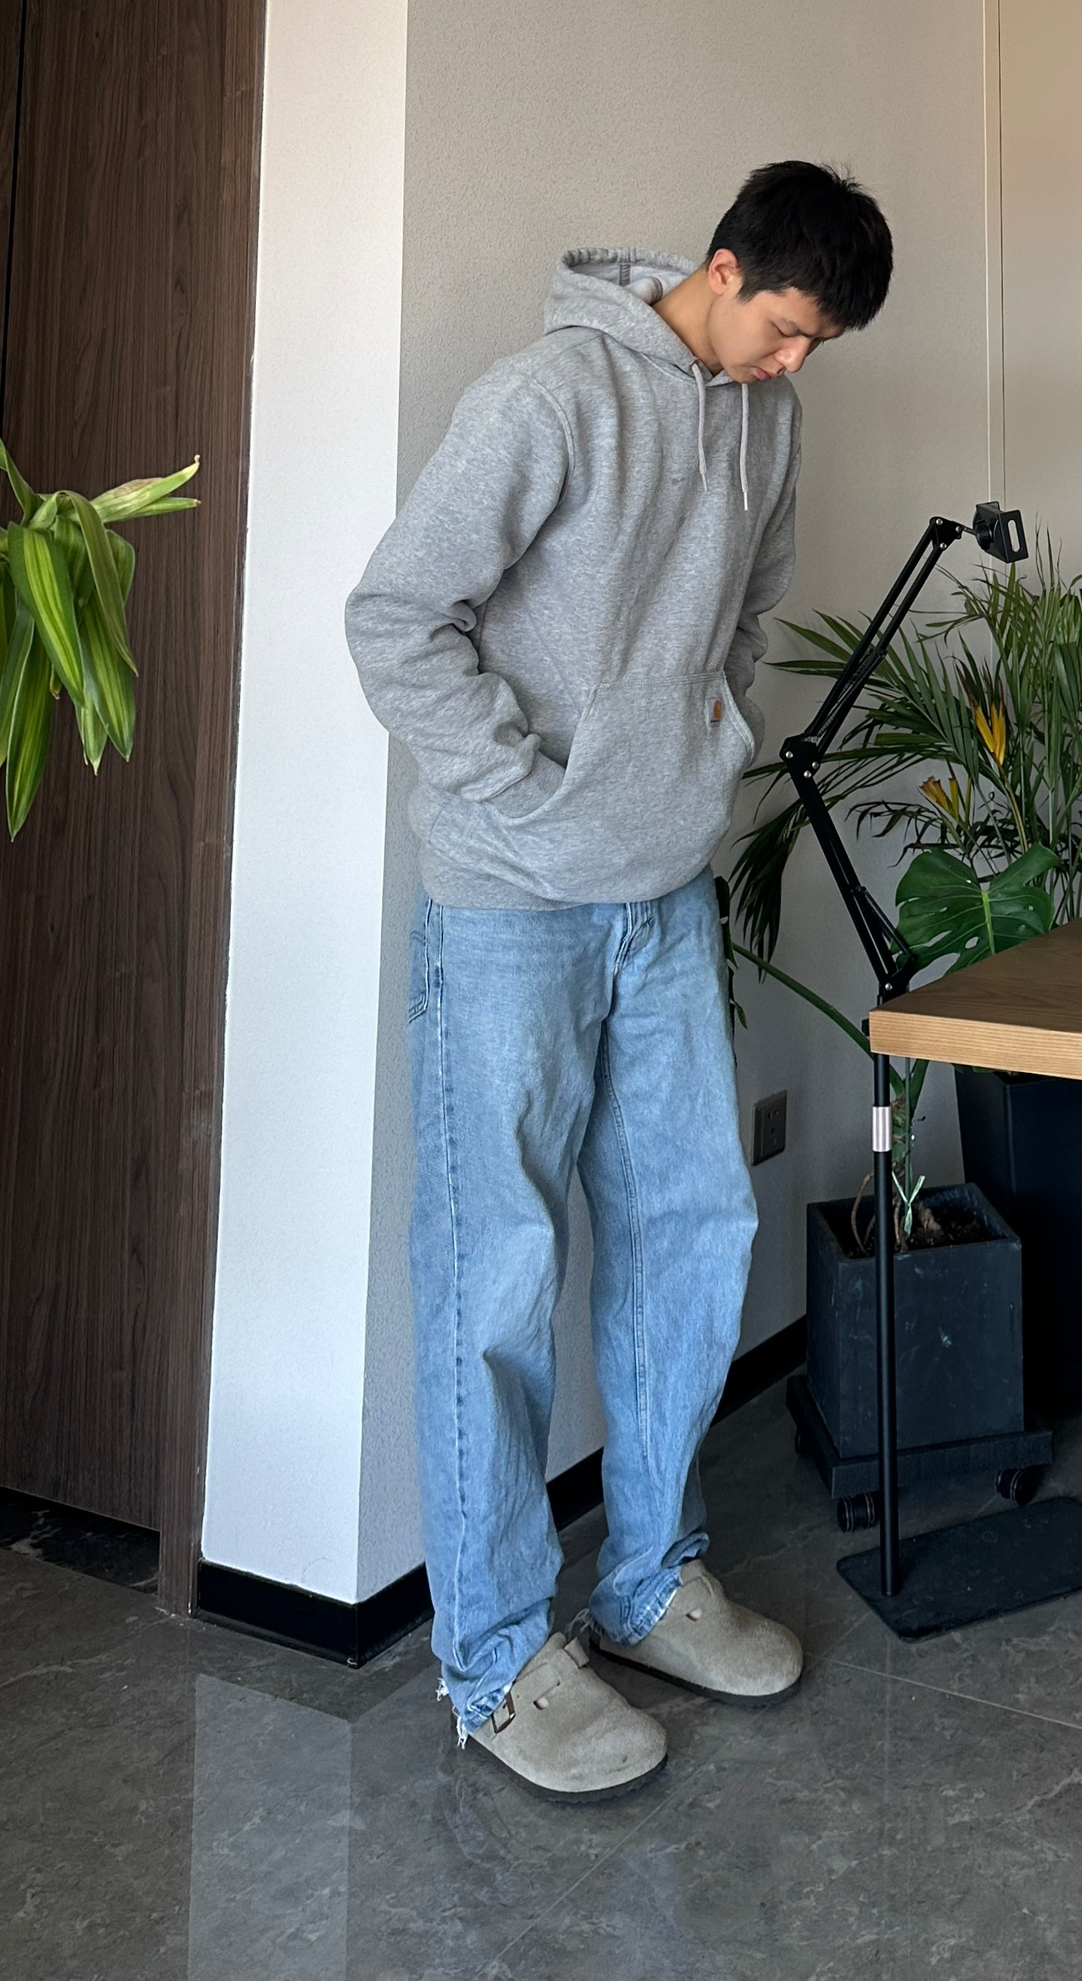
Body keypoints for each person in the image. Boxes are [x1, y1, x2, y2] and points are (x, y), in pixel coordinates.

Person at [346, 160, 893, 1800]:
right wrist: (530, 797)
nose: (794, 363)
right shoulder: (548, 396)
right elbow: (395, 618)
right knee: (497, 1274)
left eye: (817, 346)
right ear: (722, 270)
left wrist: (698, 755)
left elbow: (745, 615)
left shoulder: (767, 417)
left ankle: (649, 1583)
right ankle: (495, 1659)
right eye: (785, 328)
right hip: (509, 906)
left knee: (689, 1235)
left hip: (661, 894)